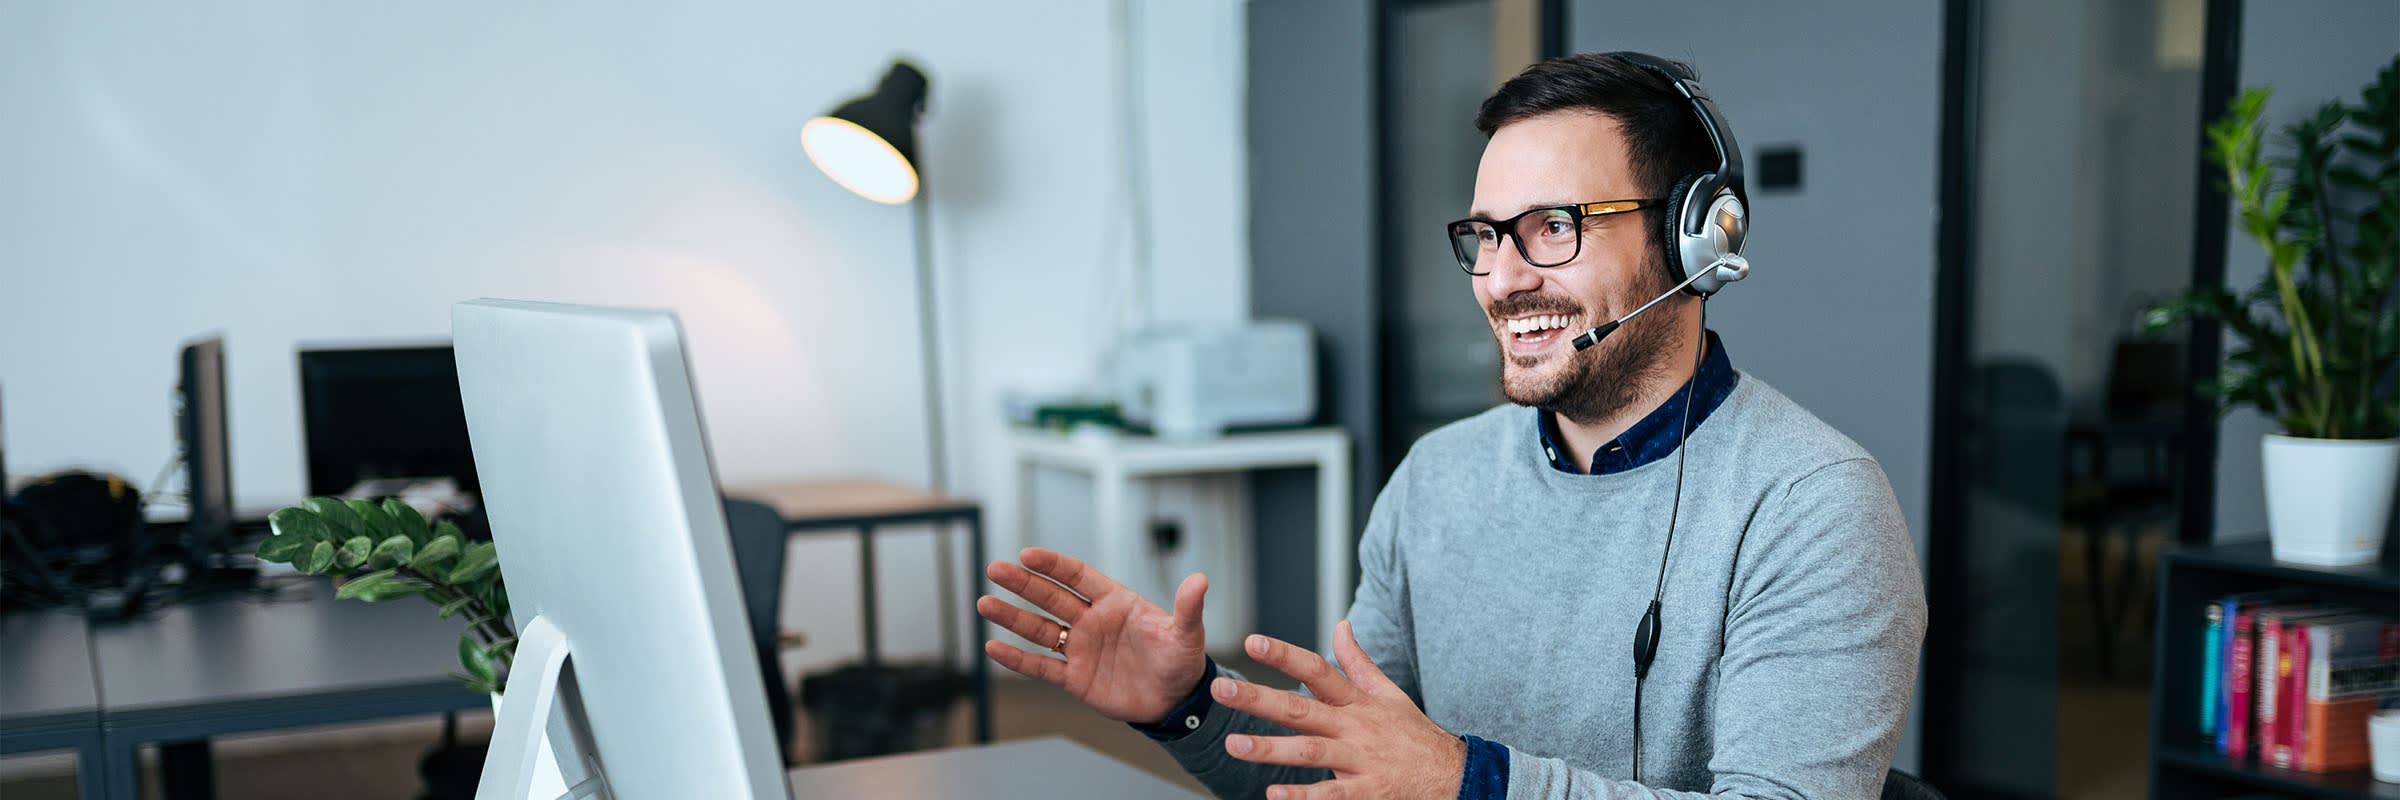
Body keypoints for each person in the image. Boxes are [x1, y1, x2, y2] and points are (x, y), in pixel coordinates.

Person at [976, 52, 1926, 800]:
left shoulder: (1815, 507)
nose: (1505, 279)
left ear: (1695, 241)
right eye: (1486, 235)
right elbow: (1348, 776)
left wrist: (1464, 782)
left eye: (1554, 226)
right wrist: (1185, 709)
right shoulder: (1437, 478)